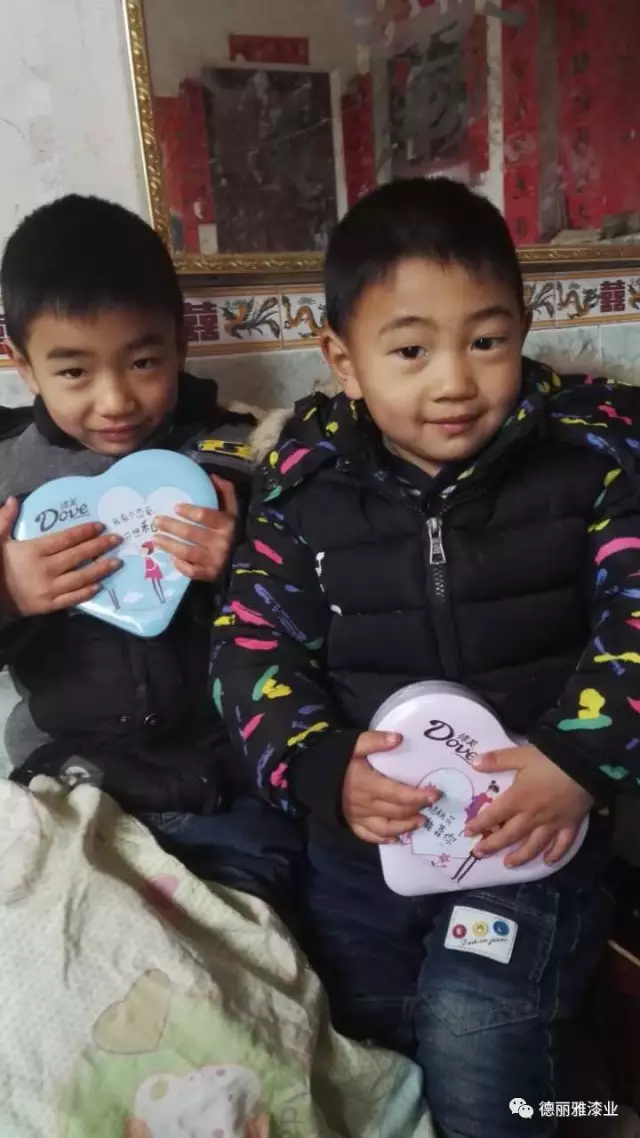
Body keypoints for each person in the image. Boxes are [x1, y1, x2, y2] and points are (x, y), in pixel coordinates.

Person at [211, 178, 640, 1137]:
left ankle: (569, 1105)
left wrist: (579, 761)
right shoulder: (306, 487)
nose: (454, 381)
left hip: (528, 842)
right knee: (365, 1050)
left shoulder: (592, 458)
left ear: (522, 330)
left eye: (486, 341)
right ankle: (583, 1098)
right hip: (361, 858)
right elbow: (249, 650)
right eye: (411, 350)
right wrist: (321, 767)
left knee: (477, 1040)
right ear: (344, 360)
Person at [0, 195, 302, 907]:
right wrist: (6, 594)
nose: (115, 401)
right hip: (66, 783)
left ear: (180, 343)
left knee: (250, 930)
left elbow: (313, 612)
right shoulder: (7, 477)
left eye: (142, 362)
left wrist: (241, 564)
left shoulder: (238, 453)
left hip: (228, 781)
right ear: (24, 365)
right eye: (74, 372)